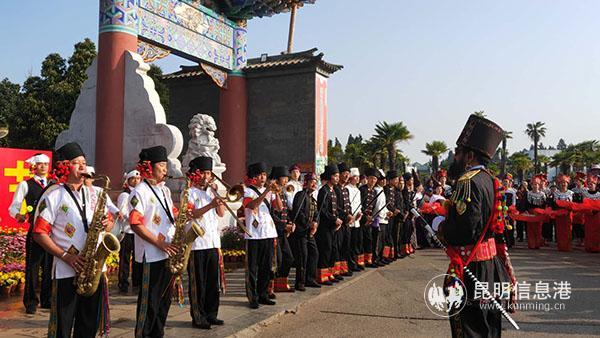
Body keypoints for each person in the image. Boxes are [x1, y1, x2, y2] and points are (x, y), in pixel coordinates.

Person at [440, 114, 514, 338]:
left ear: (469, 155)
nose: (455, 156)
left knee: (469, 329)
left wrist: (442, 229)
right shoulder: (492, 181)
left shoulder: (467, 181)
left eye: (458, 151)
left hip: (471, 268)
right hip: (491, 267)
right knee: (490, 328)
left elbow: (464, 231)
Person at [33, 142, 114, 337]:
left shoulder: (96, 193)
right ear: (64, 166)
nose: (82, 166)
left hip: (93, 268)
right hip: (65, 270)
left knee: (89, 323)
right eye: (76, 162)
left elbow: (111, 221)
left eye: (84, 162)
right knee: (63, 323)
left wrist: (107, 224)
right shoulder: (53, 195)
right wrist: (65, 256)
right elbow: (38, 233)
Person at [129, 145, 179, 337]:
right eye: (162, 165)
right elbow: (135, 223)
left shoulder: (165, 191)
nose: (166, 170)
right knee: (149, 303)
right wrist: (160, 243)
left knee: (164, 301)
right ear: (149, 167)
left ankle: (158, 334)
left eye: (166, 165)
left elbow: (173, 215)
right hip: (150, 255)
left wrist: (186, 215)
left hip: (167, 252)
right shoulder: (140, 191)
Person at [185, 156, 226, 329]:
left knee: (212, 282)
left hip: (213, 243)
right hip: (197, 245)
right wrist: (210, 204)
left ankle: (211, 314)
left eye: (208, 173)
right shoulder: (189, 192)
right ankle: (198, 316)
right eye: (203, 173)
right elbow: (191, 214)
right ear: (196, 174)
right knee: (198, 283)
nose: (205, 176)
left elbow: (222, 213)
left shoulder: (211, 191)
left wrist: (218, 195)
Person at [9, 153, 53, 314]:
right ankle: (31, 302)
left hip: (52, 232)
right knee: (33, 266)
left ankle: (47, 299)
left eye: (45, 164)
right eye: (39, 164)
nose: (43, 167)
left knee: (49, 266)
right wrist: (18, 215)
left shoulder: (54, 184)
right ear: (34, 166)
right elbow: (14, 206)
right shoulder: (25, 184)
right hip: (35, 231)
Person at [243, 162, 281, 308]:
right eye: (260, 175)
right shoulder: (248, 191)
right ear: (254, 177)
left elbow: (279, 207)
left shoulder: (270, 191)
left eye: (264, 175)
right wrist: (266, 192)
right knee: (252, 268)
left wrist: (276, 192)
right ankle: (252, 297)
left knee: (266, 267)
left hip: (268, 233)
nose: (263, 177)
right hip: (253, 234)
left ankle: (263, 294)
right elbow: (251, 206)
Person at [289, 173, 321, 290]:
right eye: (311, 181)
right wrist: (309, 225)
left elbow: (316, 213)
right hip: (301, 231)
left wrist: (315, 224)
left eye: (315, 181)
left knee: (314, 253)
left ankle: (310, 279)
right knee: (303, 256)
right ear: (306, 183)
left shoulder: (312, 198)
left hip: (310, 232)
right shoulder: (301, 195)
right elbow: (298, 212)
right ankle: (300, 282)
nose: (314, 183)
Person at [269, 166, 296, 292]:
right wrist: (284, 226)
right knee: (277, 260)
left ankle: (282, 282)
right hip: (274, 231)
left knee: (289, 258)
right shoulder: (272, 193)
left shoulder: (283, 193)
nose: (286, 180)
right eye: (284, 178)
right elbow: (272, 214)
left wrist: (291, 223)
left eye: (286, 178)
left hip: (283, 232)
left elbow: (286, 212)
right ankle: (271, 285)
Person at [316, 164, 343, 284]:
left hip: (333, 226)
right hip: (325, 226)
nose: (337, 178)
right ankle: (322, 275)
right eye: (335, 176)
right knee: (325, 250)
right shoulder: (324, 190)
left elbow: (335, 208)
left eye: (338, 176)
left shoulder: (333, 190)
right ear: (329, 177)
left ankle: (330, 273)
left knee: (333, 249)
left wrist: (338, 219)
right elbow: (322, 210)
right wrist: (333, 219)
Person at [116, 170, 142, 293]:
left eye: (138, 179)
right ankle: (123, 283)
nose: (136, 181)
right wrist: (134, 216)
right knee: (125, 259)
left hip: (137, 231)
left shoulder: (139, 193)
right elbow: (122, 211)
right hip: (127, 230)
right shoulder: (125, 195)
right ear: (128, 181)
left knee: (137, 258)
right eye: (133, 179)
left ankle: (137, 282)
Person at [335, 162, 354, 277]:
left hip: (347, 222)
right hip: (340, 222)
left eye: (348, 174)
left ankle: (344, 268)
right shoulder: (336, 189)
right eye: (344, 174)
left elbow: (348, 205)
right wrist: (346, 215)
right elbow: (336, 206)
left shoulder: (345, 190)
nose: (347, 176)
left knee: (346, 246)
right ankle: (337, 270)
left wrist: (350, 214)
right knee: (338, 246)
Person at [359, 168, 379, 267]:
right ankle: (360, 261)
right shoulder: (362, 189)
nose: (373, 181)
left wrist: (371, 217)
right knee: (361, 240)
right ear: (367, 179)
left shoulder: (375, 191)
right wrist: (365, 217)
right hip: (362, 218)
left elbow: (374, 206)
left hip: (370, 219)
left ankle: (369, 260)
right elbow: (360, 205)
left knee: (369, 240)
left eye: (375, 179)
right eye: (371, 178)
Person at [346, 168, 363, 270]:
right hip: (351, 219)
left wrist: (360, 213)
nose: (357, 179)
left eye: (358, 177)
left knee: (356, 243)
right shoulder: (347, 188)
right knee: (350, 243)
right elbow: (348, 204)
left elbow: (359, 204)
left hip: (357, 219)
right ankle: (350, 264)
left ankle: (355, 262)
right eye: (355, 177)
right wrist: (351, 215)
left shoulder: (357, 190)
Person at [502, 173, 517, 248]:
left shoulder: (512, 191)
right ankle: (504, 241)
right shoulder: (500, 190)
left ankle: (510, 242)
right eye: (504, 182)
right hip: (501, 210)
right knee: (503, 226)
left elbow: (514, 201)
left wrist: (511, 208)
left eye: (507, 182)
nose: (505, 183)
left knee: (510, 225)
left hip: (509, 211)